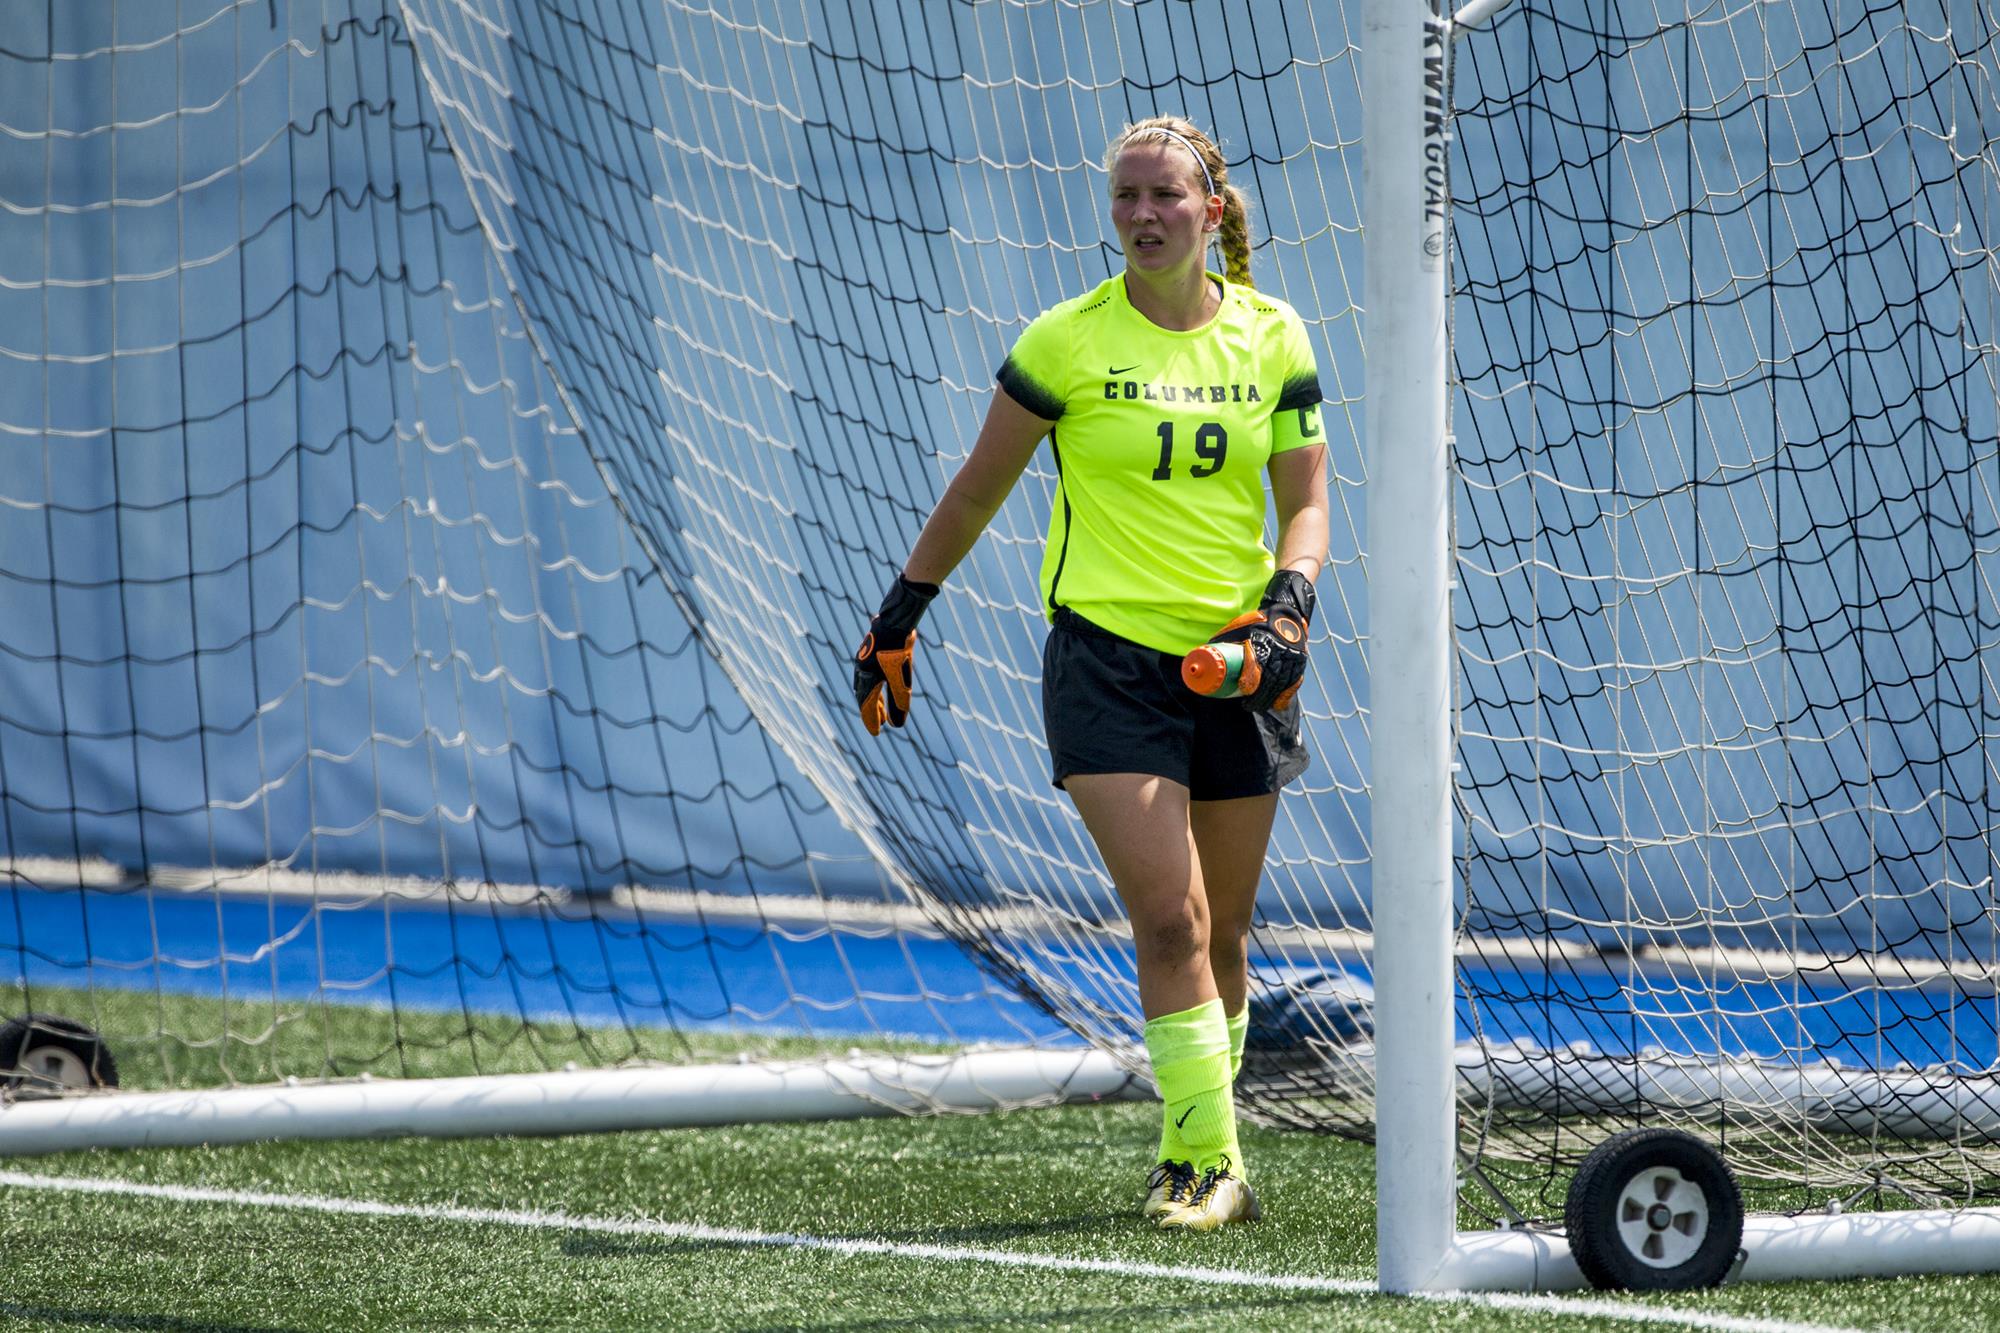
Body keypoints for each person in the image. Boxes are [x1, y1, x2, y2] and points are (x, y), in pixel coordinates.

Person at [851, 115, 1329, 1231]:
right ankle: (1207, 1166)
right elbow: (976, 487)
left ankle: (1191, 1145)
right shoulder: (1063, 341)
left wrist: (1287, 614)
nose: (1142, 216)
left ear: (1211, 211)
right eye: (1124, 197)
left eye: (1164, 196)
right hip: (1106, 665)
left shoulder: (1272, 335)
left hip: (1239, 667)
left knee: (1221, 933)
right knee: (1167, 919)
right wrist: (899, 613)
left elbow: (1304, 503)